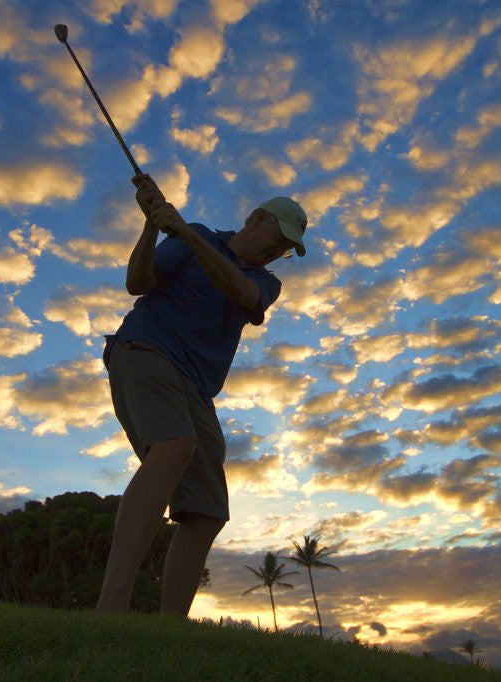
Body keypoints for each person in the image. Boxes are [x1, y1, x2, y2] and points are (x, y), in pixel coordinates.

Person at [96, 173, 308, 617]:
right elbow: (138, 283)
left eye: (288, 248)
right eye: (280, 236)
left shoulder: (265, 281)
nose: (279, 251)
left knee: (208, 508)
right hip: (145, 350)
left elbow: (241, 291)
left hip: (195, 386)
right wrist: (154, 223)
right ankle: (111, 605)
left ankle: (169, 626)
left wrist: (187, 233)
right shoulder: (196, 237)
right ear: (256, 218)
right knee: (174, 445)